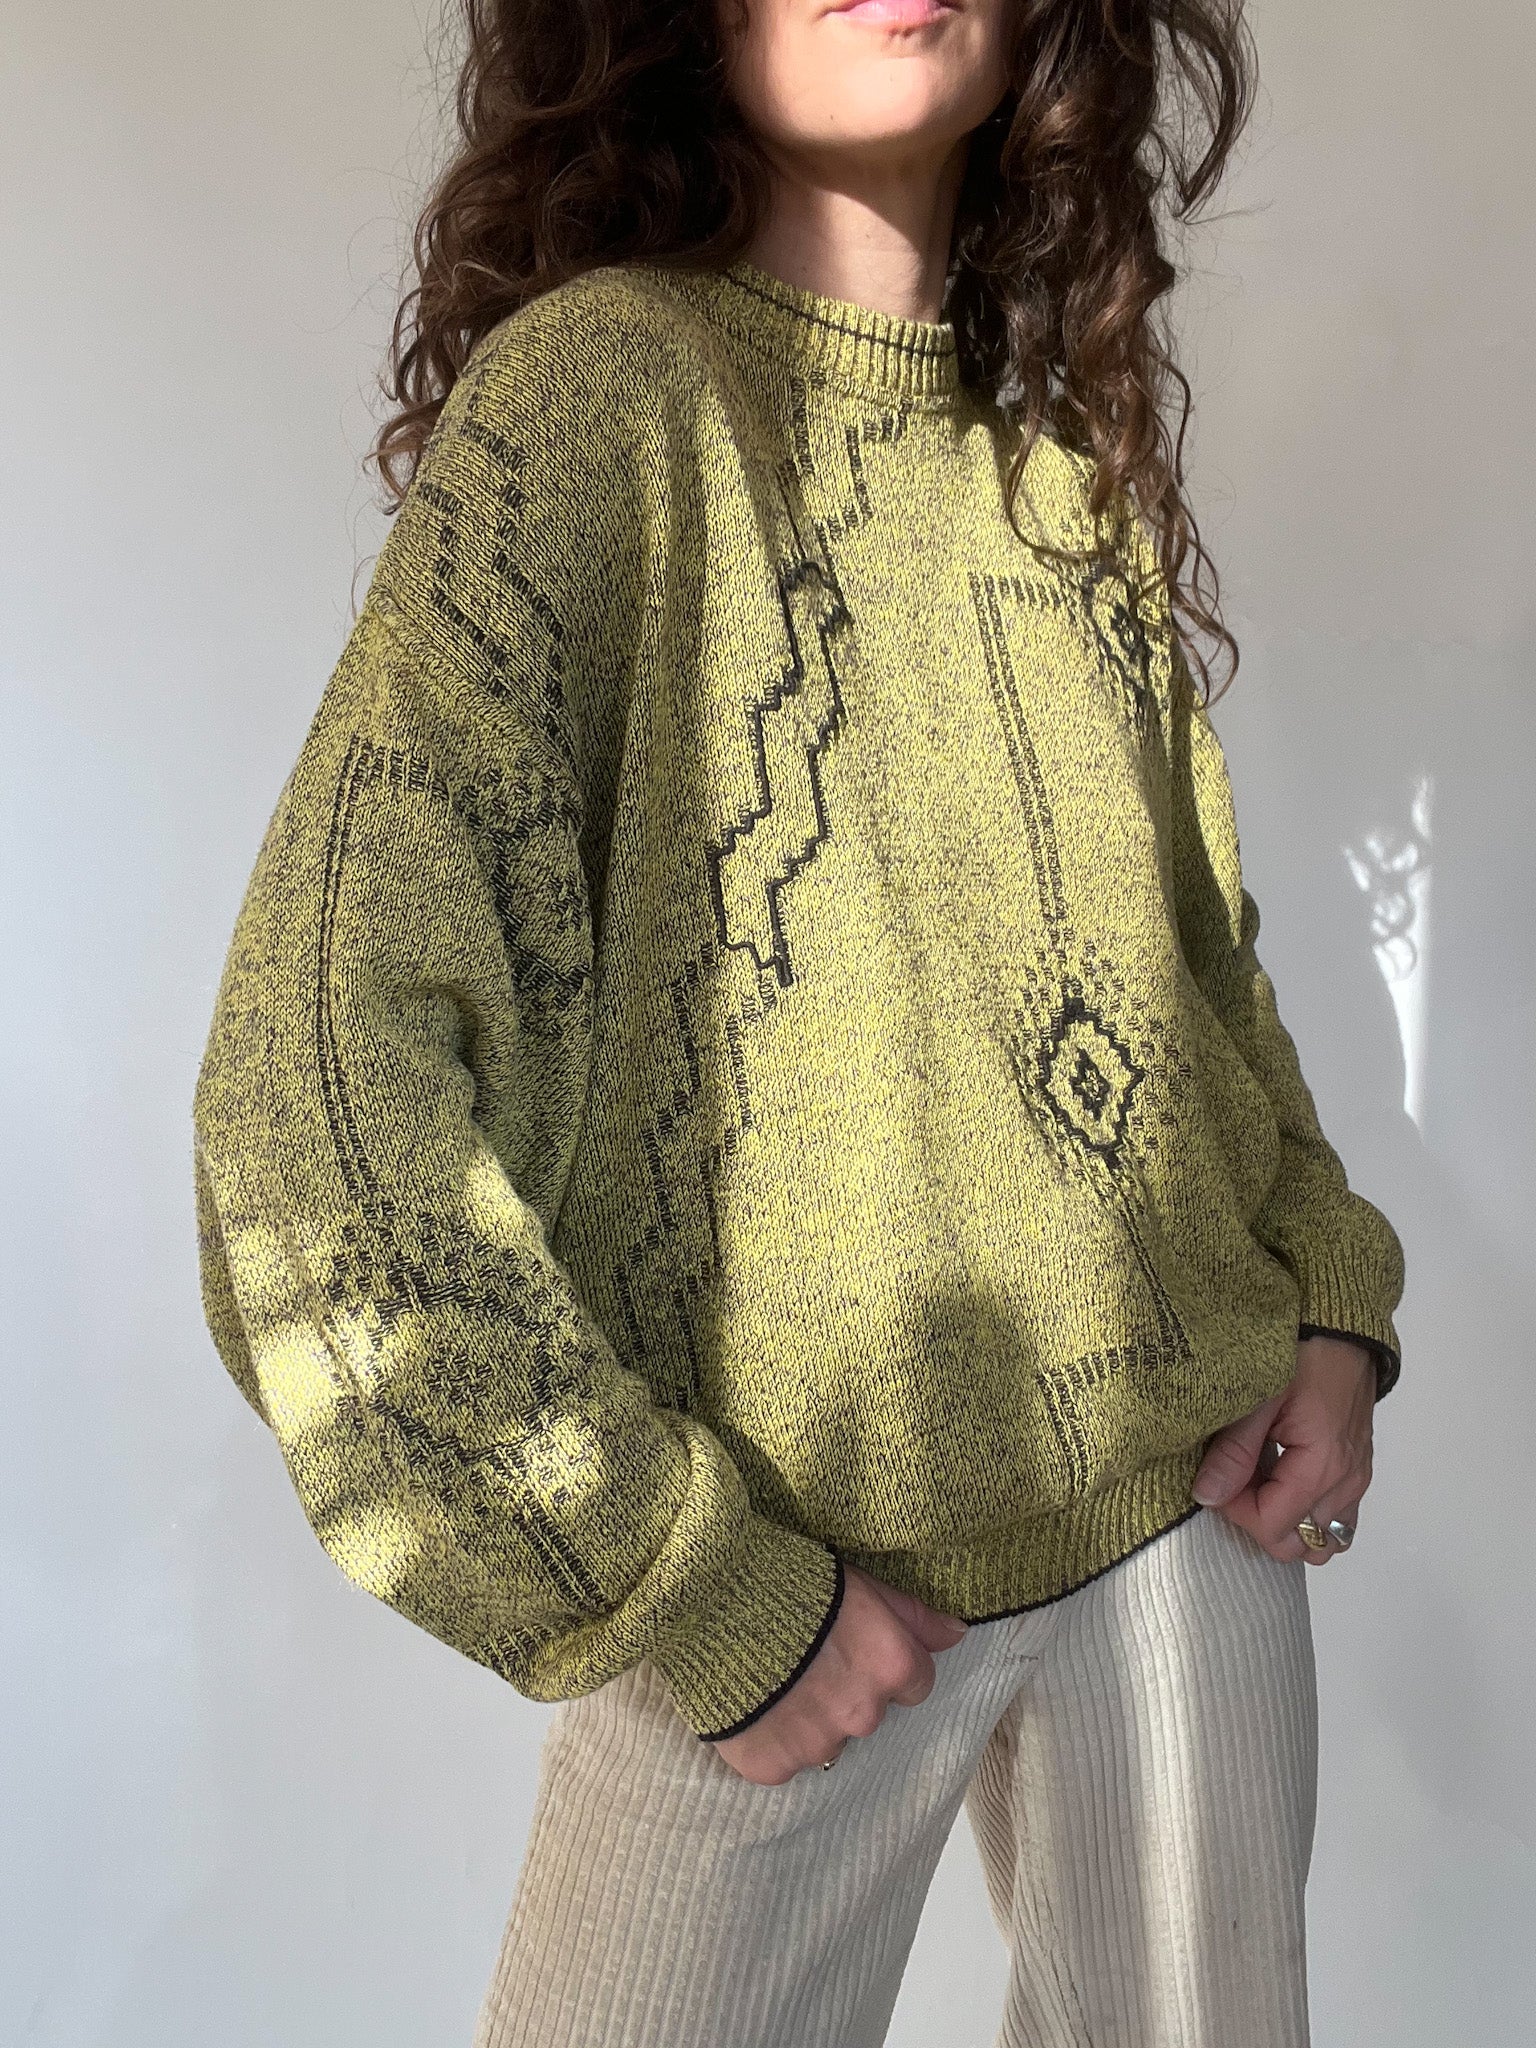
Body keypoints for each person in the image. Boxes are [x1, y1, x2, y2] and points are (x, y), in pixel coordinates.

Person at [191, 0, 1405, 2041]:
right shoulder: (600, 401)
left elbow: (1201, 973)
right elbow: (312, 1090)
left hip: (1188, 1533)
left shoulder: (1062, 466)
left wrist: (1331, 1301)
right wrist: (670, 1579)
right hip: (775, 1589)